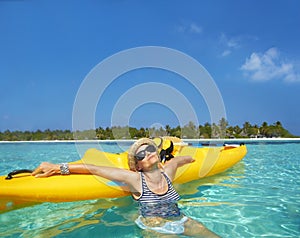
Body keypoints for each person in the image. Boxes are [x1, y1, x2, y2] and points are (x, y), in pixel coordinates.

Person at [32, 138, 220, 237]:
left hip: (181, 219)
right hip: (156, 227)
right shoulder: (136, 180)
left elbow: (178, 161)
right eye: (141, 155)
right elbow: (95, 169)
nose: (147, 154)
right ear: (137, 165)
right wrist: (58, 167)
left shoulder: (167, 173)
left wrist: (193, 158)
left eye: (150, 150)